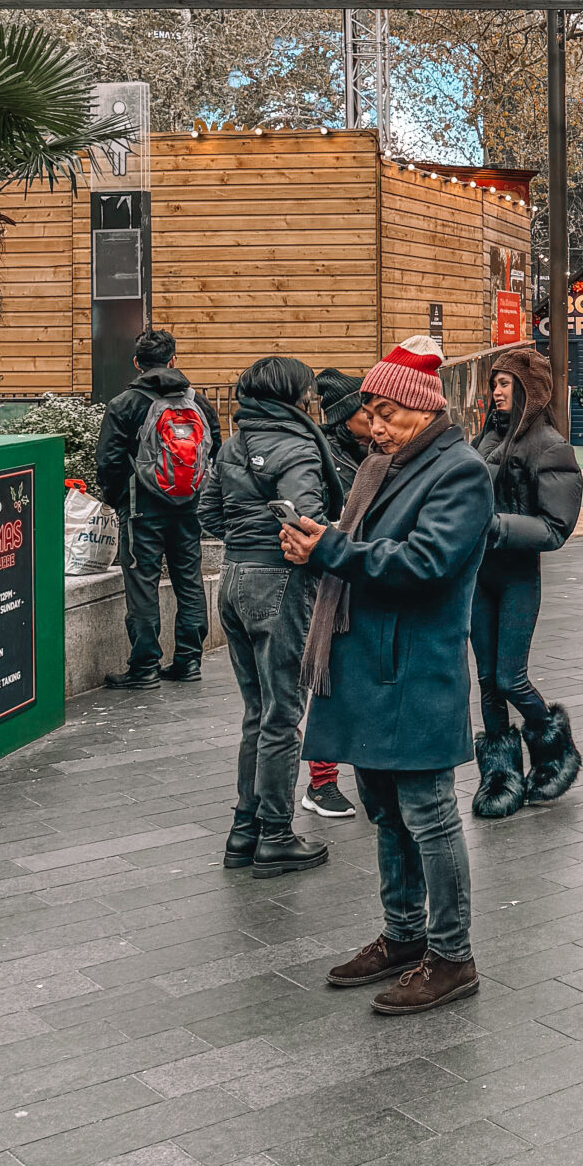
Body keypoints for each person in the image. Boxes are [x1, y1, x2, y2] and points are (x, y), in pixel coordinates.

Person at [283, 338, 493, 1011]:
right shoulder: (382, 467)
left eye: (386, 413)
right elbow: (363, 552)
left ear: (420, 409)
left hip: (414, 666)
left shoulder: (458, 471)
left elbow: (425, 563)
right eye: (370, 413)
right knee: (386, 810)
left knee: (429, 813)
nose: (373, 425)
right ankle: (404, 936)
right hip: (369, 660)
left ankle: (452, 954)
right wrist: (317, 548)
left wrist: (334, 549)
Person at [198, 356, 342, 876]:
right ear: (292, 395)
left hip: (234, 579)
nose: (313, 400)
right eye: (308, 392)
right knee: (283, 715)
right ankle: (276, 834)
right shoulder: (298, 445)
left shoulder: (234, 442)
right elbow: (308, 522)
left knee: (256, 713)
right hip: (279, 581)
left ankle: (245, 832)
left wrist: (245, 535)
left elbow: (207, 511)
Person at [470, 345, 583, 820]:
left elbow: (555, 527)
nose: (494, 391)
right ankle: (500, 776)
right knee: (487, 683)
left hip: (517, 575)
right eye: (493, 382)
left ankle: (555, 751)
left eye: (504, 383)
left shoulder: (550, 446)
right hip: (478, 576)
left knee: (509, 677)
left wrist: (495, 527)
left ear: (526, 390)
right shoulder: (483, 440)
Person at [95, 326, 220, 692]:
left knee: (142, 585)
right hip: (188, 508)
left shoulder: (125, 404)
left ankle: (145, 666)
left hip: (140, 510)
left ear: (137, 363)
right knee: (189, 579)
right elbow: (213, 453)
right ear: (173, 360)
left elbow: (109, 461)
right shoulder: (198, 403)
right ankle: (188, 660)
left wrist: (119, 498)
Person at [299, 367, 373, 818]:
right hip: (331, 584)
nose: (377, 421)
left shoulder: (373, 451)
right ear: (349, 416)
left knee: (361, 681)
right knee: (329, 682)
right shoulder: (328, 457)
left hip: (364, 577)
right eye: (369, 413)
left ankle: (369, 771)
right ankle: (321, 782)